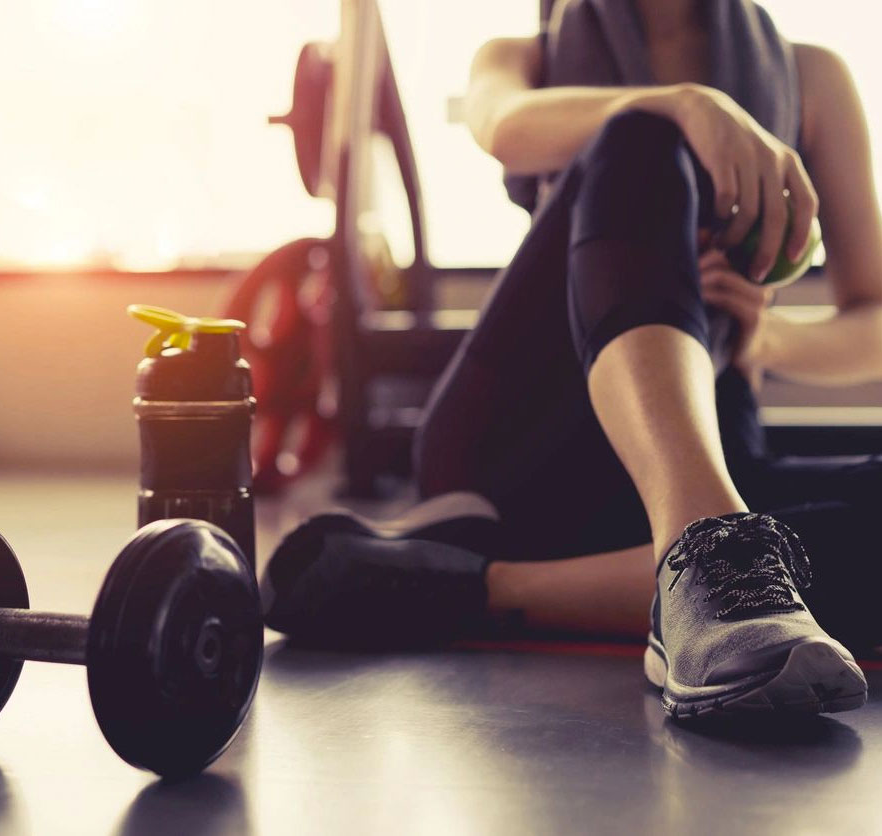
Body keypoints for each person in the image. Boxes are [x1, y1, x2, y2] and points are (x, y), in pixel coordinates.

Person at [261, 0, 882, 718]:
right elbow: (502, 127)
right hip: (524, 441)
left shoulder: (814, 77)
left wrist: (766, 339)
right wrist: (685, 106)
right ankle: (706, 557)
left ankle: (481, 585)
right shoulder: (517, 58)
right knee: (644, 136)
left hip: (715, 449)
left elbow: (871, 317)